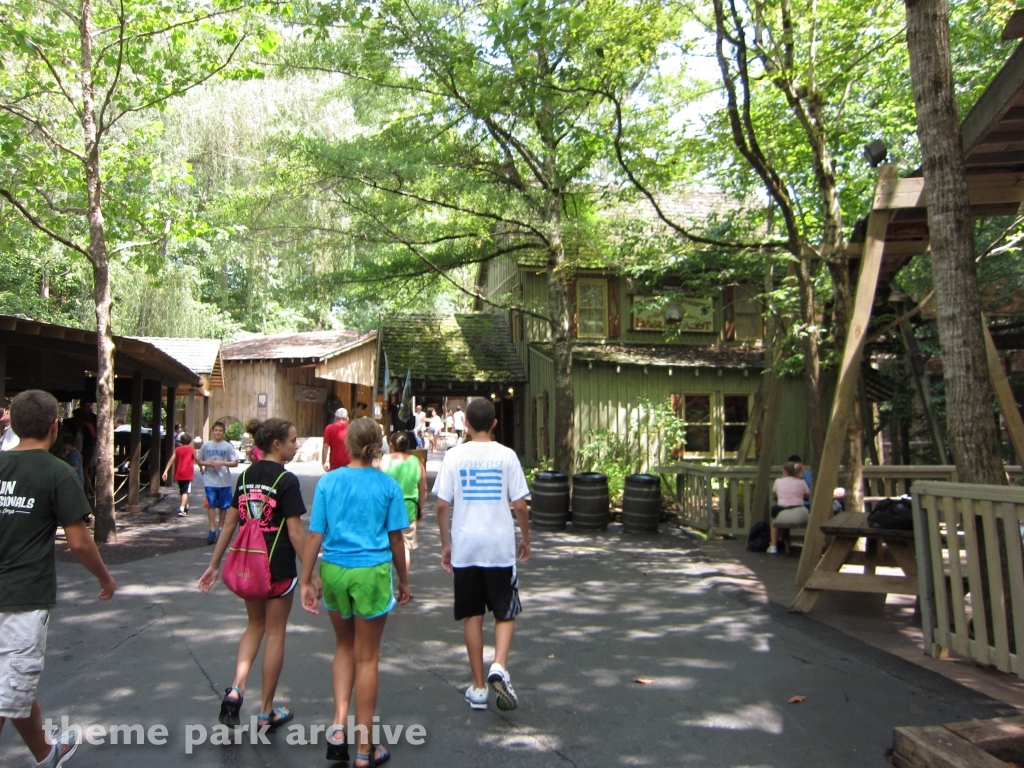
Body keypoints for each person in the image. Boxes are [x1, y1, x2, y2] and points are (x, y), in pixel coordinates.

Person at [0, 390, 116, 767]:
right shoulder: (58, 473)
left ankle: (47, 754)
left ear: (12, 425)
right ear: (54, 427)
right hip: (23, 598)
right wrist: (105, 579)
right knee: (8, 692)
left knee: (13, 686)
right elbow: (80, 542)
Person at [301, 418, 411, 767]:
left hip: (334, 571)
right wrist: (404, 580)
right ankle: (365, 748)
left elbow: (315, 535)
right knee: (368, 657)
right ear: (377, 445)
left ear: (346, 444)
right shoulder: (388, 485)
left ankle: (338, 726)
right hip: (371, 574)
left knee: (343, 647)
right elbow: (397, 539)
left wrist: (306, 580)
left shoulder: (328, 482)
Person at [198, 418, 314, 733]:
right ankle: (265, 711)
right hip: (276, 567)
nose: (296, 445)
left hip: (249, 565)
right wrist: (309, 574)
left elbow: (230, 524)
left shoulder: (247, 475)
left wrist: (214, 564)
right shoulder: (287, 481)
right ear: (277, 444)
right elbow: (295, 533)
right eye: (292, 440)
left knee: (254, 626)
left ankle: (236, 688)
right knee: (275, 633)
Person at [433, 398, 530, 712]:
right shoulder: (507, 456)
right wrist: (525, 537)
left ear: (466, 424)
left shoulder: (454, 456)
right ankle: (499, 665)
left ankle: (477, 688)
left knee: (472, 614)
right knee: (505, 610)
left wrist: (446, 543)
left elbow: (441, 505)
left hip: (466, 546)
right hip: (499, 546)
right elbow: (520, 505)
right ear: (495, 424)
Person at [380, 431, 427, 570]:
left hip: (386, 509)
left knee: (385, 544)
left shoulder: (383, 461)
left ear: (391, 444)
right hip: (409, 508)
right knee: (405, 547)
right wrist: (420, 508)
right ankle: (404, 582)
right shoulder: (416, 462)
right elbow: (423, 488)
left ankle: (387, 581)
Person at [197, 421, 240, 544]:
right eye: (216, 430)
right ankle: (212, 529)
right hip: (210, 480)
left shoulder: (227, 446)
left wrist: (222, 463)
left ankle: (221, 528)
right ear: (212, 431)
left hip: (224, 480)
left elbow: (235, 462)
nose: (218, 433)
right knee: (211, 504)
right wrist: (205, 464)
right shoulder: (206, 446)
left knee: (223, 506)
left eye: (220, 431)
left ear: (223, 432)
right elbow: (199, 460)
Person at [767, 461, 811, 554]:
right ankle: (809, 545)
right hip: (801, 514)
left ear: (785, 472)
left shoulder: (778, 482)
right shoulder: (802, 482)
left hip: (783, 515)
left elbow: (774, 494)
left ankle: (773, 546)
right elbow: (807, 495)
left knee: (774, 523)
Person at [163, 433, 197, 517]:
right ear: (190, 441)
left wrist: (166, 471)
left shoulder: (177, 449)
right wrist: (202, 468)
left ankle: (186, 506)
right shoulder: (192, 450)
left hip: (179, 473)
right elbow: (197, 460)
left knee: (182, 491)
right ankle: (182, 508)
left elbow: (171, 460)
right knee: (185, 492)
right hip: (188, 474)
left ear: (181, 441)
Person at [323, 408, 351, 472]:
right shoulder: (351, 428)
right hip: (349, 464)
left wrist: (324, 462)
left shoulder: (329, 428)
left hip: (335, 464)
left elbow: (325, 446)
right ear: (346, 418)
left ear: (335, 418)